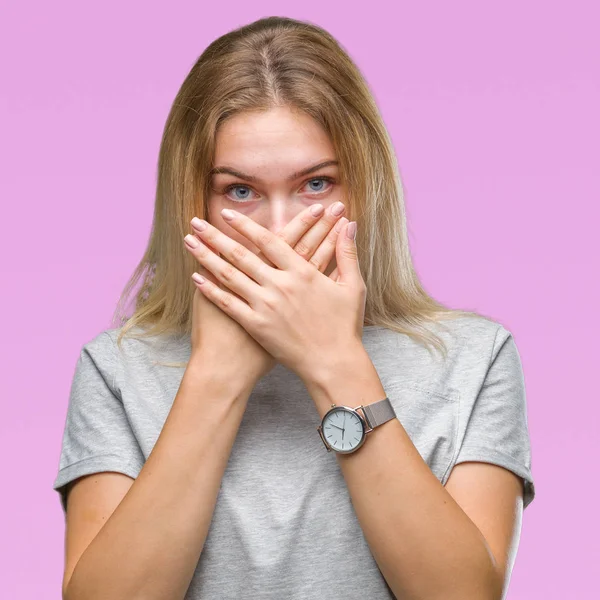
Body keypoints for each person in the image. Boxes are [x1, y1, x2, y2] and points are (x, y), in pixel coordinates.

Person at [53, 15, 536, 600]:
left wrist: (334, 361)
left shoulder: (474, 360)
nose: (280, 229)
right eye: (240, 190)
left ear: (363, 184)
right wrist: (216, 377)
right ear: (193, 199)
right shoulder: (118, 369)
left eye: (316, 185)